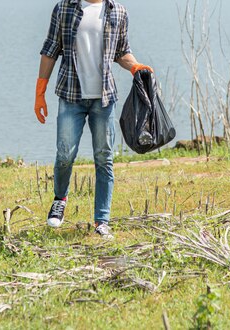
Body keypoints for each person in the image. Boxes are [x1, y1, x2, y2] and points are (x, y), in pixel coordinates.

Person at [35, 0, 152, 239]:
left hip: (104, 99)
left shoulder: (118, 11)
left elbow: (121, 52)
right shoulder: (64, 8)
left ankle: (102, 220)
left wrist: (135, 67)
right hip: (70, 95)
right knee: (65, 154)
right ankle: (60, 199)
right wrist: (40, 92)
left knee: (104, 158)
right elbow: (50, 50)